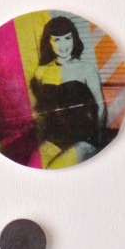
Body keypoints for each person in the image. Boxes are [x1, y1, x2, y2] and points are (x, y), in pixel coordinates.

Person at [30, 16, 108, 169]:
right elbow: (40, 111)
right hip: (55, 137)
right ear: (49, 42)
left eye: (67, 38)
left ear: (74, 39)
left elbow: (101, 107)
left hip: (85, 138)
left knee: (55, 168)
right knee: (34, 166)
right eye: (56, 40)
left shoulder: (87, 69)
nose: (63, 45)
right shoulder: (41, 72)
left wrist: (99, 142)